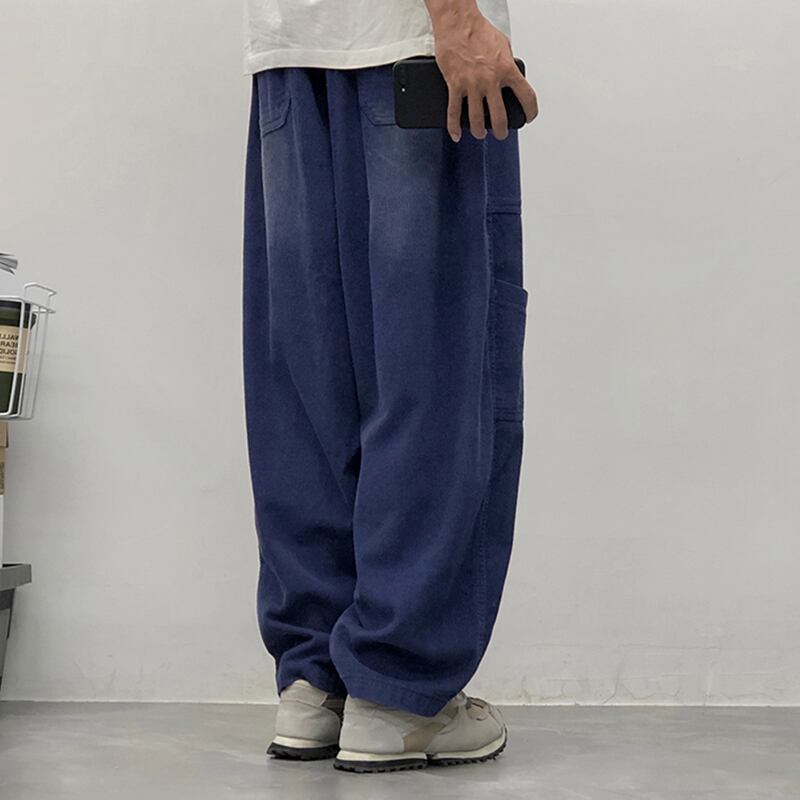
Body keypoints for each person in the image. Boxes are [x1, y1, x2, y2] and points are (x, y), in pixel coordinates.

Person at [242, 0, 538, 773]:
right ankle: (399, 694)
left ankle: (315, 684)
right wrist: (457, 16)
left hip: (288, 53)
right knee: (434, 371)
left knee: (309, 385)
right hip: (411, 47)